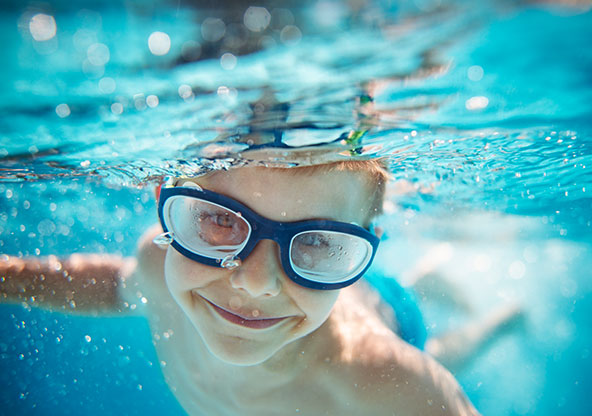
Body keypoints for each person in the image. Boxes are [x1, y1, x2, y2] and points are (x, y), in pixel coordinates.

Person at [1, 159, 485, 415]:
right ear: (168, 212)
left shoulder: (388, 380)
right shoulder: (157, 265)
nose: (255, 284)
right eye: (217, 220)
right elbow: (117, 287)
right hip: (317, 279)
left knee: (443, 355)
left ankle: (495, 320)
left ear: (370, 245)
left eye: (318, 237)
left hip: (387, 314)